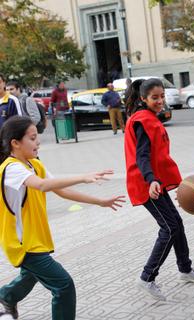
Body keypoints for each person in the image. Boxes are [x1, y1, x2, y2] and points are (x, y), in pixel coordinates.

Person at [0, 116, 125, 319]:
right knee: (63, 285)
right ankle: (6, 297)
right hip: (23, 243)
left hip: (35, 239)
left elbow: (61, 190)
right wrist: (83, 177)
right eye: (32, 138)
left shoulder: (34, 165)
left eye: (37, 137)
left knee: (30, 275)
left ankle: (6, 296)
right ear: (15, 143)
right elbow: (41, 185)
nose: (38, 142)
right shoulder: (12, 168)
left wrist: (100, 201)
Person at [124, 78, 194, 301]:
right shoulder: (143, 120)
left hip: (154, 182)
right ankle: (147, 277)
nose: (160, 101)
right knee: (170, 228)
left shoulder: (150, 118)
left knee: (176, 224)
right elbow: (141, 156)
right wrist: (151, 179)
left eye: (162, 96)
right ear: (143, 99)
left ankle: (185, 269)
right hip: (146, 184)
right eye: (155, 97)